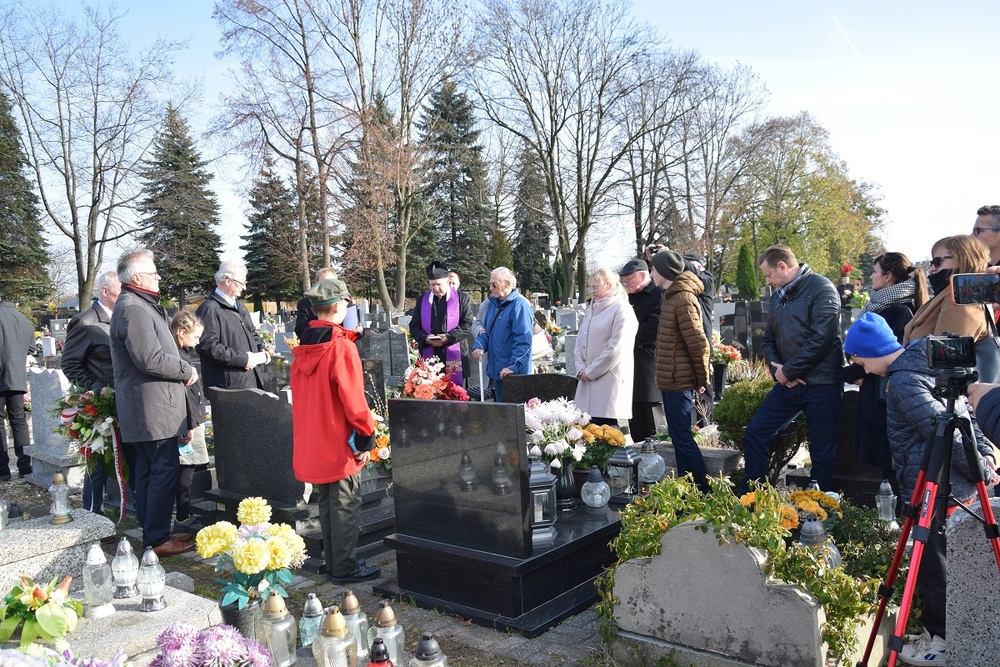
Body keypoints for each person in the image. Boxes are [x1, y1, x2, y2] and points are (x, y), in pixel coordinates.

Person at [845, 313, 998, 666]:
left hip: (936, 486)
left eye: (859, 359)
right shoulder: (928, 364)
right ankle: (946, 633)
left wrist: (981, 467)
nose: (862, 369)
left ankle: (941, 640)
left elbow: (943, 432)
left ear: (870, 350)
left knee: (933, 563)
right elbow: (970, 413)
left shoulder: (902, 382)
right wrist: (987, 454)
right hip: (958, 482)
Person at [291, 278, 380, 584]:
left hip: (315, 437)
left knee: (328, 502)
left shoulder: (304, 345)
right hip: (340, 438)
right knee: (345, 502)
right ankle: (344, 567)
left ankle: (334, 562)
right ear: (340, 306)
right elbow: (354, 400)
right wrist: (367, 434)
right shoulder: (341, 346)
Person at [110, 249, 196, 556]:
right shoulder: (133, 308)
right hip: (152, 409)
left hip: (152, 408)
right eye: (153, 273)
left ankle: (154, 533)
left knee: (150, 474)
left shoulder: (139, 305)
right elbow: (150, 358)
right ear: (136, 278)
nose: (158, 277)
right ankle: (158, 539)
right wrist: (186, 369)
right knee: (161, 472)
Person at [741, 245, 842, 491]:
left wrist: (789, 371)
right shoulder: (778, 297)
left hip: (821, 383)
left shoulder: (822, 288)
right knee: (755, 433)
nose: (767, 281)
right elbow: (768, 338)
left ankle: (821, 511)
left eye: (768, 275)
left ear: (783, 266)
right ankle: (752, 497)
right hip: (787, 384)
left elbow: (822, 338)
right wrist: (780, 371)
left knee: (822, 451)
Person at [841, 253, 928, 486]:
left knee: (895, 470)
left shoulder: (900, 310)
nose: (871, 276)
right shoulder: (884, 305)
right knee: (886, 473)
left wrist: (851, 372)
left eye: (875, 271)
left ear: (888, 277)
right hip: (876, 395)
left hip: (885, 399)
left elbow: (885, 355)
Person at [60, 270, 122, 512]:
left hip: (123, 398)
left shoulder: (121, 317)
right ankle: (93, 514)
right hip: (101, 404)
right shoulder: (85, 321)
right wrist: (97, 388)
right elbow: (70, 363)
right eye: (121, 290)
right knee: (97, 463)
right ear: (105, 291)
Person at [648, 249, 710, 489]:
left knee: (683, 437)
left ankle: (704, 489)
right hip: (670, 378)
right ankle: (688, 488)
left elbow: (697, 341)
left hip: (679, 379)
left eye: (653, 268)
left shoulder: (682, 298)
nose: (650, 273)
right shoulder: (670, 296)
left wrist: (701, 378)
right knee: (679, 437)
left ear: (664, 271)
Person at [574, 269, 638, 427]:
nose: (591, 291)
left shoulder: (621, 309)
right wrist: (581, 367)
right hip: (586, 379)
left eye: (595, 287)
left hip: (607, 380)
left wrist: (591, 371)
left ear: (609, 285)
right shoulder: (591, 309)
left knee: (607, 431)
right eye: (590, 287)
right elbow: (580, 341)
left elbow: (617, 348)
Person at [195, 260, 270, 391]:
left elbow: (252, 333)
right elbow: (208, 347)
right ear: (227, 281)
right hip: (229, 385)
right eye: (241, 283)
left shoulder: (239, 306)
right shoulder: (209, 309)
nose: (244, 287)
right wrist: (243, 359)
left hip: (250, 379)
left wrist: (261, 348)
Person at [903, 235, 990, 345]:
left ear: (963, 259)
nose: (932, 268)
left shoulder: (961, 296)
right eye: (931, 262)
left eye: (938, 261)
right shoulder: (946, 294)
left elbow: (949, 353)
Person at [170, 311, 209, 534]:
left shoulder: (182, 354)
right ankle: (183, 517)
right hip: (187, 422)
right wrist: (190, 425)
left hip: (192, 419)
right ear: (182, 332)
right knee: (186, 469)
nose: (197, 342)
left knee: (189, 468)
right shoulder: (177, 358)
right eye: (195, 337)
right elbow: (183, 396)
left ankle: (184, 514)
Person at [471, 267, 533, 403]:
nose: (491, 288)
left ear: (508, 284)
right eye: (490, 284)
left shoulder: (520, 306)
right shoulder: (493, 304)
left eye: (495, 284)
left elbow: (523, 341)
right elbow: (488, 331)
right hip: (498, 372)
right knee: (501, 418)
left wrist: (513, 367)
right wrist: (479, 345)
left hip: (513, 375)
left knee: (512, 419)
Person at [409, 261, 475, 386]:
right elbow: (414, 326)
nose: (435, 288)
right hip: (430, 355)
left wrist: (449, 337)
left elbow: (467, 324)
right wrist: (424, 338)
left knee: (457, 397)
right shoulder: (423, 300)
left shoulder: (461, 298)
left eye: (439, 284)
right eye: (432, 285)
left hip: (455, 353)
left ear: (447, 282)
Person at [620, 258, 663, 441]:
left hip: (649, 365)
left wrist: (627, 337)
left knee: (654, 423)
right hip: (630, 365)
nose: (626, 283)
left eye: (629, 279)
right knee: (635, 421)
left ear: (643, 276)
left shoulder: (658, 294)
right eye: (624, 280)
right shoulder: (628, 297)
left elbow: (655, 325)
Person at [0, 298, 34, 481]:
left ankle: (3, 470)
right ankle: (25, 467)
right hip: (17, 377)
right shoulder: (24, 320)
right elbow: (30, 348)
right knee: (19, 421)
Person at [295, 267, 338, 339]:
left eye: (331, 282)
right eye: (323, 283)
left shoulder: (344, 301)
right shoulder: (305, 304)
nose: (328, 286)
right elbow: (301, 331)